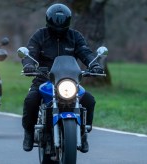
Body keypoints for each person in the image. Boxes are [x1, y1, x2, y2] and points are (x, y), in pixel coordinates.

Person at [21, 3, 104, 153]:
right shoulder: (40, 35)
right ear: (49, 20)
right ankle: (29, 133)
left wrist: (94, 65)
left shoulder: (75, 36)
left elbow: (85, 52)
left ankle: (83, 133)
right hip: (44, 79)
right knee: (31, 100)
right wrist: (28, 65)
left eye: (62, 20)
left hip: (69, 81)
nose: (59, 24)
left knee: (89, 100)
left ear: (68, 20)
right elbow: (31, 53)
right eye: (56, 20)